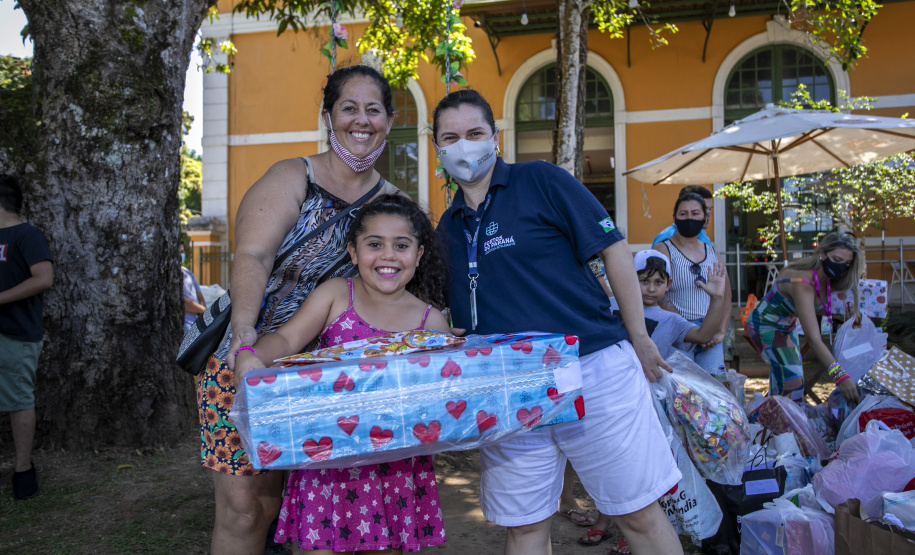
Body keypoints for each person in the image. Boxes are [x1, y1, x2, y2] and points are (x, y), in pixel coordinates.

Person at [433, 89, 683, 555]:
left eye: (474, 133)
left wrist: (640, 339)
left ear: (495, 138)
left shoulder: (541, 181)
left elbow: (613, 251)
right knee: (524, 525)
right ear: (437, 149)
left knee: (638, 513)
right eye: (451, 137)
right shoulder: (447, 230)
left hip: (591, 367)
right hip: (510, 386)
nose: (464, 146)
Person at [197, 64, 402, 554]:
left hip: (330, 377)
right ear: (328, 116)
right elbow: (252, 254)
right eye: (348, 108)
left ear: (390, 121)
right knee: (246, 509)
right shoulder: (293, 176)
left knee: (302, 511)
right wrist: (245, 338)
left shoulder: (394, 204)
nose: (361, 120)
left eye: (373, 109)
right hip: (247, 360)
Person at [235, 195, 449, 554]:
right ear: (352, 252)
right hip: (326, 464)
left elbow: (438, 401)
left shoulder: (431, 323)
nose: (388, 256)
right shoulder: (336, 296)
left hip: (395, 469)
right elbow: (288, 339)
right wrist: (249, 355)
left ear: (420, 254)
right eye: (374, 244)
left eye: (402, 245)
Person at [746, 232, 863, 404]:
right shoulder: (802, 282)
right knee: (793, 384)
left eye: (846, 264)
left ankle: (771, 426)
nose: (841, 267)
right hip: (765, 325)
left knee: (786, 382)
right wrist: (840, 377)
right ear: (822, 253)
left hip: (787, 326)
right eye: (837, 260)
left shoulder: (827, 279)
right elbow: (814, 339)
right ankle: (777, 425)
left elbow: (816, 307)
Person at [0, 174, 53, 501]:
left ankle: (23, 470)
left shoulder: (27, 235)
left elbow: (44, 278)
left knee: (18, 400)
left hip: (16, 335)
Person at [654, 193, 731, 372]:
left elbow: (725, 293)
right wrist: (686, 330)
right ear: (674, 218)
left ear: (705, 218)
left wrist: (720, 331)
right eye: (683, 214)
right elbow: (657, 292)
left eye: (695, 213)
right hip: (677, 334)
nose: (689, 218)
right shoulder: (663, 249)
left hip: (710, 335)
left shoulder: (713, 252)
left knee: (713, 390)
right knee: (682, 393)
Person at [180, 242, 206, 331]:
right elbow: (181, 301)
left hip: (195, 323)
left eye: (182, 251)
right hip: (184, 323)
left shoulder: (188, 273)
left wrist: (202, 313)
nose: (180, 254)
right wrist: (202, 310)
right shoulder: (169, 274)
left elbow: (199, 296)